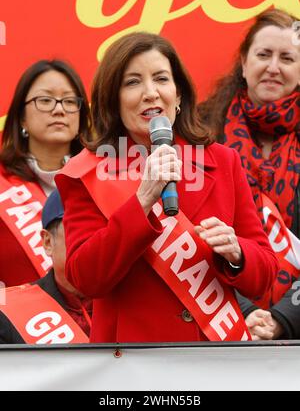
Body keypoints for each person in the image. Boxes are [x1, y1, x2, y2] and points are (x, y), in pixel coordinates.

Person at [56, 31, 278, 343]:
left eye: (161, 79)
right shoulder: (88, 172)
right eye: (133, 82)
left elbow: (266, 274)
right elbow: (85, 279)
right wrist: (142, 201)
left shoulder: (222, 161)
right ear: (113, 99)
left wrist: (238, 252)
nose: (151, 93)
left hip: (211, 354)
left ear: (179, 95)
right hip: (131, 362)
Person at [198, 8, 300, 339]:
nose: (273, 67)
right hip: (215, 322)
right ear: (244, 64)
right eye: (263, 54)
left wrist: (282, 318)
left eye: (287, 57)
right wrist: (246, 312)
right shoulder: (199, 134)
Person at [0, 60, 92, 287]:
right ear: (21, 118)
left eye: (70, 101)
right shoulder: (2, 183)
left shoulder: (102, 177)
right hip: (21, 319)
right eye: (45, 100)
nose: (59, 109)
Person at [0, 189, 92, 344]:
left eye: (104, 229)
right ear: (48, 242)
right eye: (79, 229)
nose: (94, 240)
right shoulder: (7, 311)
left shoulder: (137, 303)